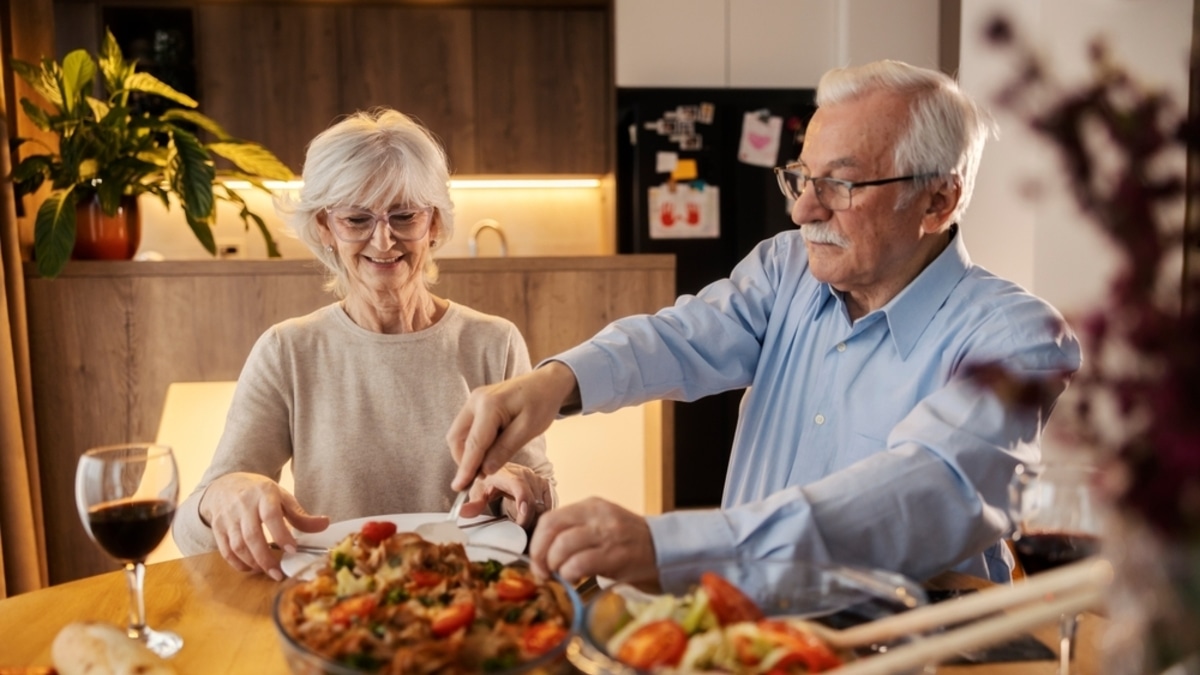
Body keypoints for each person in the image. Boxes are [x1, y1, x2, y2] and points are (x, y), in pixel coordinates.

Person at [447, 60, 1081, 588]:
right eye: (803, 176)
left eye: (841, 184)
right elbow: (679, 337)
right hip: (749, 636)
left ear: (938, 200)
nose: (803, 208)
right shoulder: (787, 271)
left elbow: (925, 491)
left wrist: (670, 545)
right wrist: (554, 381)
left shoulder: (1018, 340)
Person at [173, 109, 556, 580]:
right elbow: (189, 531)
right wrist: (221, 499)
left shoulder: (493, 342)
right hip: (334, 602)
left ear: (433, 223)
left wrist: (526, 493)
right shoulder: (287, 351)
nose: (383, 238)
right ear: (324, 228)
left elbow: (544, 505)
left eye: (404, 215)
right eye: (356, 218)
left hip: (465, 595)